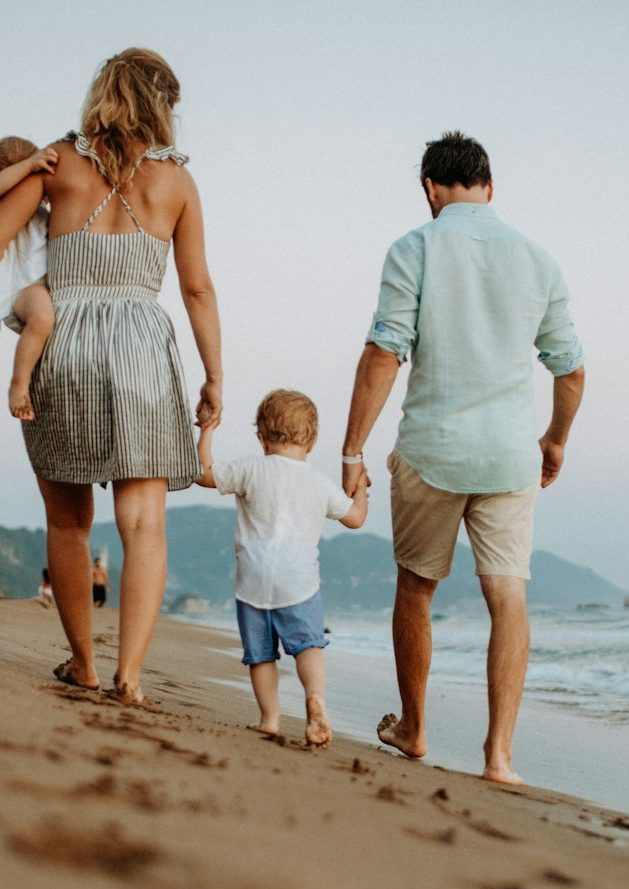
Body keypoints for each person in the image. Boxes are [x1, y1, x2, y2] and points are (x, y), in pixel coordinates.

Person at [0, 48, 223, 704]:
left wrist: (41, 297)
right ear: (162, 104)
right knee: (143, 522)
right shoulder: (176, 182)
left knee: (68, 520)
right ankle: (129, 677)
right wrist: (214, 376)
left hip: (64, 341)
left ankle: (83, 663)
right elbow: (196, 289)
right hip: (143, 344)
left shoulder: (57, 159)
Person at [342, 131, 585, 785]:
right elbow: (570, 369)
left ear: (429, 189)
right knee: (508, 598)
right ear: (490, 188)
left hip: (433, 451)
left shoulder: (413, 248)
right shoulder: (539, 260)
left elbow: (384, 353)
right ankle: (499, 756)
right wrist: (555, 438)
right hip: (510, 457)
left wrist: (351, 449)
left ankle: (415, 728)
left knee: (417, 590)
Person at [196, 390, 368, 747]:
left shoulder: (250, 468)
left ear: (261, 437)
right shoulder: (318, 483)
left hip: (253, 579)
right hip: (299, 582)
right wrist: (361, 488)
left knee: (260, 654)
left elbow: (204, 473)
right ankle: (315, 700)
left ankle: (270, 719)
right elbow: (356, 518)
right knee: (308, 646)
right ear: (313, 440)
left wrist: (207, 430)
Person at [0, 137, 59, 421]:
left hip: (41, 283)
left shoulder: (39, 213)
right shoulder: (5, 203)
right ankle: (18, 384)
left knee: (47, 323)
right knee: (42, 318)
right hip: (23, 287)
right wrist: (29, 165)